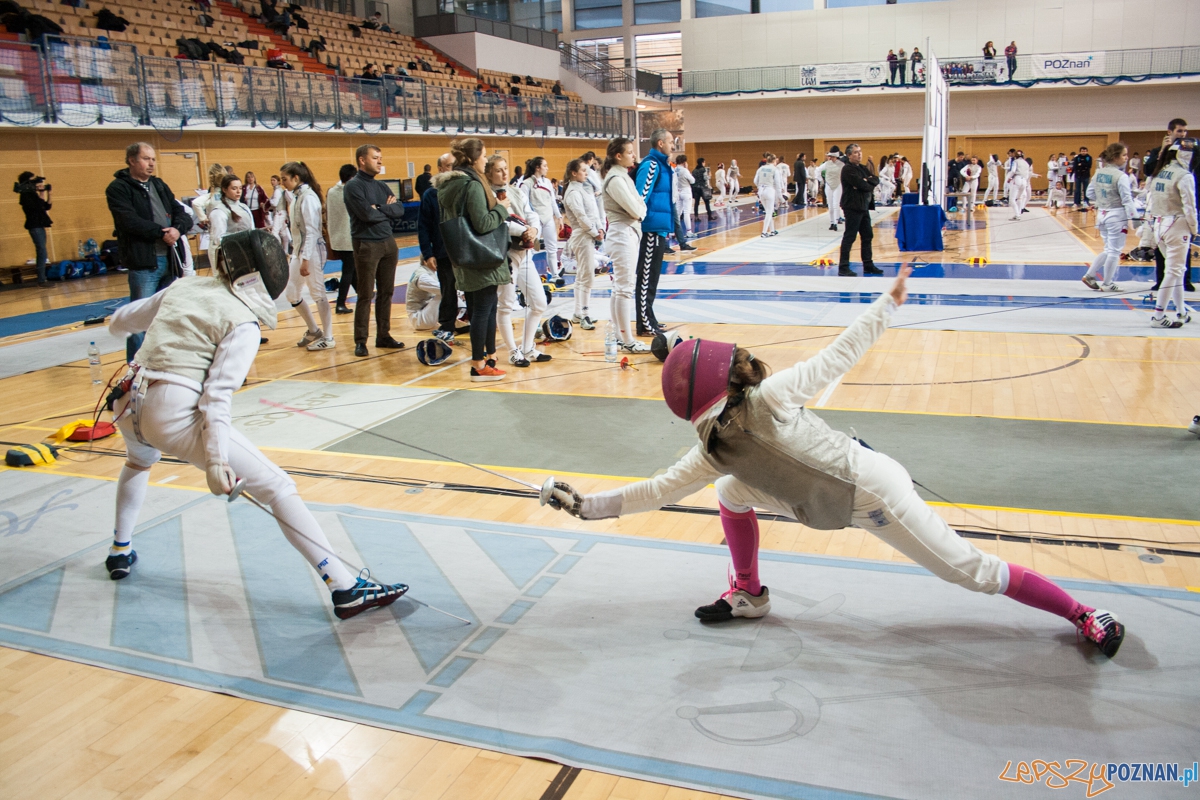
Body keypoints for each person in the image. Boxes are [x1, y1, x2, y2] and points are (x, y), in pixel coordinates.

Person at [543, 268, 1125, 658]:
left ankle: (1082, 613)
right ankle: (748, 593)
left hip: (873, 494)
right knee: (732, 491)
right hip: (825, 502)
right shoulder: (714, 452)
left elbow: (837, 353)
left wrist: (885, 304)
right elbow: (655, 491)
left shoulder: (765, 402)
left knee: (971, 572)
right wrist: (585, 506)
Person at [103, 214, 408, 618]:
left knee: (138, 461)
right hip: (170, 411)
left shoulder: (185, 286)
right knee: (278, 487)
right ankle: (346, 586)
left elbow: (120, 322)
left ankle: (120, 550)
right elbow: (216, 398)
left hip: (125, 401)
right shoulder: (243, 322)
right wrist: (214, 460)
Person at [106, 143, 191, 363]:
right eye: (146, 159)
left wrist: (177, 229)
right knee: (139, 316)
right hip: (144, 263)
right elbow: (128, 221)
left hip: (169, 260)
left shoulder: (159, 185)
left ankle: (162, 361)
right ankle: (135, 367)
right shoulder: (118, 188)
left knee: (166, 316)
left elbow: (180, 212)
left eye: (153, 159)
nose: (151, 163)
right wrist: (160, 232)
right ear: (132, 160)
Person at [438, 138, 509, 381]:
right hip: (481, 254)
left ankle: (488, 356)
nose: (486, 160)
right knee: (483, 310)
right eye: (484, 155)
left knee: (482, 308)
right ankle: (479, 363)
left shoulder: (452, 184)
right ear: (473, 158)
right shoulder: (473, 185)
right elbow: (483, 223)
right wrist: (501, 208)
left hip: (464, 254)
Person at [343, 144, 407, 358]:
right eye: (375, 158)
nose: (380, 161)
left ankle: (383, 335)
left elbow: (399, 210)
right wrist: (386, 210)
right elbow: (365, 215)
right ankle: (361, 340)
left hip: (388, 242)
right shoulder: (353, 187)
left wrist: (379, 208)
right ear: (362, 160)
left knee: (387, 292)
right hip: (367, 244)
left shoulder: (381, 187)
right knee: (365, 294)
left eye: (380, 157)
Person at [490, 157, 549, 366]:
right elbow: (499, 223)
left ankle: (527, 347)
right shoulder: (487, 196)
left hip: (524, 254)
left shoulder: (517, 191)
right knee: (505, 305)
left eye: (505, 169)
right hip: (503, 255)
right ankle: (514, 352)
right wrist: (523, 230)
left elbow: (531, 214)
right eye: (498, 170)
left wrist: (533, 230)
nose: (504, 174)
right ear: (490, 173)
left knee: (539, 302)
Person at [602, 137, 650, 354]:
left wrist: (640, 207)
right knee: (624, 288)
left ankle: (621, 337)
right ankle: (627, 340)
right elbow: (637, 209)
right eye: (629, 152)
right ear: (618, 156)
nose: (634, 156)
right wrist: (640, 208)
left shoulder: (622, 176)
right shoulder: (615, 179)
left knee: (620, 288)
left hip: (627, 233)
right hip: (622, 235)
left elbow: (640, 205)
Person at [280, 162, 332, 351]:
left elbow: (311, 231)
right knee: (292, 293)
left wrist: (306, 259)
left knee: (318, 292)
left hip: (311, 252)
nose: (282, 183)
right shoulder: (296, 196)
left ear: (296, 178)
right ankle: (313, 330)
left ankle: (328, 337)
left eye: (284, 179)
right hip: (298, 251)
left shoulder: (308, 198)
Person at [1146, 138, 1197, 328]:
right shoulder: (1184, 176)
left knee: (1177, 271)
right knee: (1174, 271)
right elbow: (1190, 207)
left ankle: (1181, 311)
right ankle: (1158, 317)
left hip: (1159, 225)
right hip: (1177, 226)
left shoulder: (1160, 172)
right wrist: (1194, 229)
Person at [634, 129, 676, 337]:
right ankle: (644, 323)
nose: (673, 145)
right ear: (660, 143)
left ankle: (649, 318)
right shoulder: (651, 165)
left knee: (653, 278)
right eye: (670, 142)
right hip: (650, 229)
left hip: (658, 228)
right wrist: (643, 222)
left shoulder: (663, 165)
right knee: (646, 278)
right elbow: (640, 196)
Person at [419, 153, 464, 345]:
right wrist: (428, 253)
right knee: (448, 290)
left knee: (472, 288)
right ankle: (447, 326)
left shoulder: (465, 190)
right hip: (443, 252)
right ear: (440, 169)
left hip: (466, 251)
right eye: (447, 166)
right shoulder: (431, 195)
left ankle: (474, 320)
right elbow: (423, 226)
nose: (451, 169)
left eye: (454, 166)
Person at [1081, 143, 1136, 294]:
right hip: (1117, 215)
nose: (1126, 158)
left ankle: (1090, 275)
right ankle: (1107, 283)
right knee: (1114, 251)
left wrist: (1104, 199)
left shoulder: (1099, 173)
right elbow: (1127, 200)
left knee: (1108, 249)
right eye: (1124, 155)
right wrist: (1135, 219)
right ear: (1115, 157)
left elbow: (1090, 194)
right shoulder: (1121, 176)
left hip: (1102, 215)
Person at [562, 158, 604, 331]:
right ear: (574, 173)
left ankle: (578, 312)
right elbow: (581, 217)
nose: (587, 174)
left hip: (589, 233)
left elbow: (593, 212)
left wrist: (600, 228)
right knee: (587, 276)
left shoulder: (583, 188)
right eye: (583, 171)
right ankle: (584, 314)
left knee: (582, 275)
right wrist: (595, 233)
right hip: (582, 235)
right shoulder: (572, 192)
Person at [838, 144, 882, 278]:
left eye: (860, 152)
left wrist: (867, 181)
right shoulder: (847, 170)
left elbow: (875, 180)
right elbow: (863, 185)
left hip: (863, 207)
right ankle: (843, 266)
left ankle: (868, 265)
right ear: (849, 155)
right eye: (856, 152)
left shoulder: (862, 168)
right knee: (850, 236)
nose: (859, 154)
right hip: (852, 207)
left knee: (868, 235)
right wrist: (866, 183)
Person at [521, 157, 562, 284]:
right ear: (537, 167)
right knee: (531, 249)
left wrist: (559, 217)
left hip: (548, 218)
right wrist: (528, 221)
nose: (547, 168)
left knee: (552, 248)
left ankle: (555, 275)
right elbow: (523, 204)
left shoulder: (548, 182)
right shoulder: (526, 184)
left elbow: (552, 201)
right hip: (534, 221)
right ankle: (530, 277)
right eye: (545, 166)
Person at [206, 174, 253, 275]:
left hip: (243, 251)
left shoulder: (244, 207)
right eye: (234, 188)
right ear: (224, 189)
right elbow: (219, 239)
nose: (238, 191)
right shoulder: (219, 211)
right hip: (224, 255)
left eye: (240, 188)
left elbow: (251, 229)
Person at [327, 164, 357, 315]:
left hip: (336, 237)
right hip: (348, 238)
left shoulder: (331, 191)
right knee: (348, 271)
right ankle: (340, 303)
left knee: (351, 268)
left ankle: (364, 293)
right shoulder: (349, 192)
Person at [15, 171, 51, 286]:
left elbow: (46, 206)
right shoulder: (25, 196)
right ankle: (41, 279)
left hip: (39, 225)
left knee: (43, 252)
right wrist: (41, 193)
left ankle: (42, 278)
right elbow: (37, 207)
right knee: (41, 251)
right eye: (32, 181)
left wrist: (48, 192)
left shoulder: (32, 194)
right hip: (34, 226)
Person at [405, 259, 442, 331]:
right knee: (447, 293)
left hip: (424, 314)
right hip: (419, 319)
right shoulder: (422, 276)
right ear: (426, 261)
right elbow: (443, 289)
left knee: (449, 292)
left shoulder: (429, 272)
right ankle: (462, 320)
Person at [753, 156, 778, 238]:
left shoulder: (760, 168)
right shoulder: (774, 169)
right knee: (769, 212)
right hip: (769, 190)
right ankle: (764, 232)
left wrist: (759, 186)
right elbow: (777, 183)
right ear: (773, 161)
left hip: (761, 191)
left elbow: (755, 181)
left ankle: (772, 230)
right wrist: (780, 197)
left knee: (768, 211)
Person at [820, 149, 845, 231]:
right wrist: (821, 180)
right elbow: (818, 170)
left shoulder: (841, 165)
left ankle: (835, 222)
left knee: (836, 204)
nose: (831, 158)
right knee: (830, 205)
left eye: (833, 157)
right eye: (831, 156)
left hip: (838, 185)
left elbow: (846, 174)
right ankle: (831, 222)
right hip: (828, 185)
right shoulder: (826, 164)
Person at [673, 154, 695, 239]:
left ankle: (673, 232)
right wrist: (687, 169)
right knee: (686, 212)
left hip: (678, 192)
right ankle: (689, 231)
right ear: (684, 162)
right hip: (686, 192)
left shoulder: (674, 169)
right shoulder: (685, 170)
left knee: (677, 213)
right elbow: (692, 181)